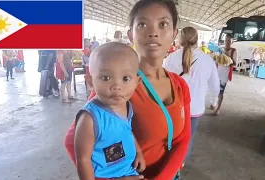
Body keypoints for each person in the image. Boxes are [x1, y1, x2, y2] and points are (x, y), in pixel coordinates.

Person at [64, 0, 191, 179]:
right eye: (142, 24)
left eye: (163, 24)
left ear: (174, 34)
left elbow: (182, 139)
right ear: (130, 35)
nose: (153, 33)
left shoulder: (180, 85)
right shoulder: (120, 85)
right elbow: (72, 142)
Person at [74, 42, 145, 180]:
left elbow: (127, 130)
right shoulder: (89, 119)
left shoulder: (126, 105)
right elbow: (83, 160)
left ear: (137, 81)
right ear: (90, 81)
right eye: (106, 78)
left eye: (126, 78)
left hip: (128, 171)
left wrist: (139, 152)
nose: (117, 86)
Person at [163, 27, 220, 163]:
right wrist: (214, 101)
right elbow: (215, 86)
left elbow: (162, 83)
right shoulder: (207, 60)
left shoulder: (170, 58)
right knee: (186, 140)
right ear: (197, 40)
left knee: (170, 137)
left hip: (172, 108)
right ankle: (179, 167)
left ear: (180, 39)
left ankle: (167, 166)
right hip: (194, 110)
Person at [210, 34, 238, 115]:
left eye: (229, 40)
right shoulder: (220, 49)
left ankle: (218, 109)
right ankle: (213, 103)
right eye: (226, 40)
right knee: (214, 89)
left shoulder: (234, 51)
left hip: (225, 75)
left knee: (221, 92)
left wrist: (228, 59)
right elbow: (216, 60)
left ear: (232, 42)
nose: (227, 42)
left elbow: (235, 63)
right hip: (217, 72)